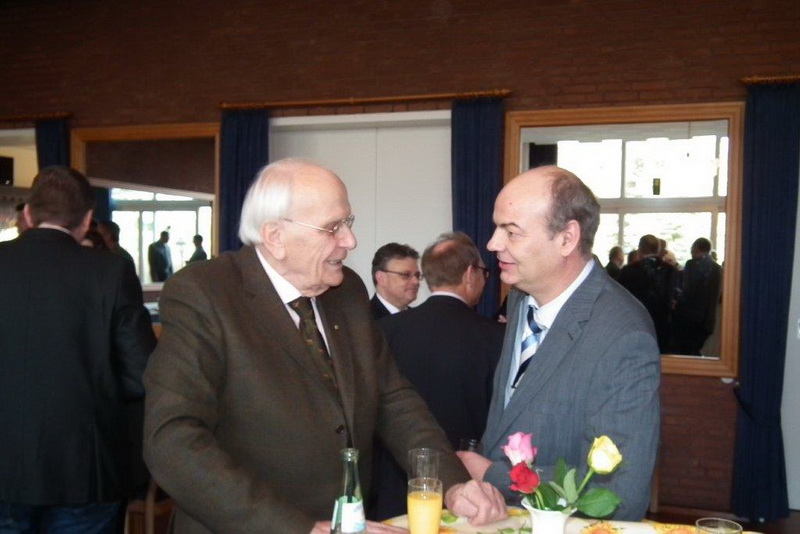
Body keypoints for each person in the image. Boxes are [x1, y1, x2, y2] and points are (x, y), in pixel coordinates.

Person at [142, 158, 506, 534]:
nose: (350, 241)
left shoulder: (347, 291)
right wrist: (299, 528)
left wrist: (453, 483)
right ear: (274, 236)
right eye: (333, 228)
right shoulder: (205, 293)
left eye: (348, 223)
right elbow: (172, 439)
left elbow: (394, 400)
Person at [457, 165, 660, 521]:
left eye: (511, 232)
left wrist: (493, 475)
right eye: (497, 228)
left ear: (567, 238)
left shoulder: (624, 336)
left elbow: (618, 494)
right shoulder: (520, 297)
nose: (492, 244)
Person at [0, 166, 156, 532]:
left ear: (27, 214)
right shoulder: (111, 272)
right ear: (87, 221)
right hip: (86, 469)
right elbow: (142, 373)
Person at [369, 232, 505, 520]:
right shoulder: (496, 338)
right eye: (484, 273)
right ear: (470, 274)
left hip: (392, 485)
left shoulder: (385, 330)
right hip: (468, 490)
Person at [618, 234, 679, 353]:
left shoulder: (629, 271)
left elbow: (621, 300)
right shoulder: (670, 270)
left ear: (640, 249)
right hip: (662, 327)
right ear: (658, 249)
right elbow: (671, 298)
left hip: (635, 326)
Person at [671, 237, 723, 355]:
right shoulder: (717, 269)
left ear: (696, 248)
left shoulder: (691, 265)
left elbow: (687, 291)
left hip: (689, 318)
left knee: (685, 351)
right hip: (708, 319)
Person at [369, 242, 421, 319]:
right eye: (405, 275)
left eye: (417, 275)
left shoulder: (420, 318)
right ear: (381, 278)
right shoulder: (363, 319)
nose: (416, 282)